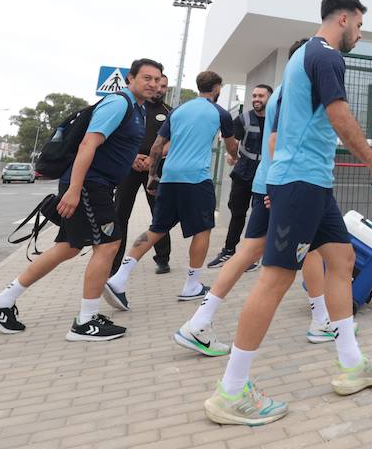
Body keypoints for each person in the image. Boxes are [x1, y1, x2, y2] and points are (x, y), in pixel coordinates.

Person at [204, 0, 372, 426]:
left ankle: (351, 362)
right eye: (360, 25)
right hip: (301, 182)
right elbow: (341, 118)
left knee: (342, 258)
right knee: (275, 279)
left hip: (312, 182)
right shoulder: (326, 56)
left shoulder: (300, 59)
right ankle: (231, 392)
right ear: (343, 18)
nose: (360, 34)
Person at [0, 59, 163, 341]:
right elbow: (88, 144)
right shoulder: (119, 103)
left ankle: (0, 303)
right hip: (90, 184)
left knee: (67, 247)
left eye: (157, 79)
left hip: (95, 184)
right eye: (146, 78)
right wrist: (75, 189)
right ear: (130, 79)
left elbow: (112, 145)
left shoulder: (137, 109)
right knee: (109, 244)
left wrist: (131, 159)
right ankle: (85, 322)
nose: (152, 84)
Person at [176, 40, 340, 356]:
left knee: (304, 251)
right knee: (267, 262)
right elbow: (281, 142)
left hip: (273, 183)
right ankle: (204, 325)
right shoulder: (292, 93)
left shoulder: (283, 93)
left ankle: (320, 319)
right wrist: (281, 191)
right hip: (280, 185)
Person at [102, 71, 239, 310]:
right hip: (196, 179)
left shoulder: (177, 111)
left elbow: (156, 146)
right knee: (203, 229)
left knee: (157, 228)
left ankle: (118, 279)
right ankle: (192, 286)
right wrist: (235, 156)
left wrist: (153, 176)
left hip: (170, 177)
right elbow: (231, 145)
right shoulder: (220, 113)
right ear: (217, 88)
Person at [110, 74, 173, 277]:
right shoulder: (132, 109)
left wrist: (152, 160)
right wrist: (132, 157)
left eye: (164, 86)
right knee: (120, 214)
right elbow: (117, 135)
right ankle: (114, 261)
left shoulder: (170, 112)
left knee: (159, 214)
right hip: (128, 168)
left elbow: (174, 140)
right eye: (157, 85)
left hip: (154, 171)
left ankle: (162, 259)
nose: (159, 89)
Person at [207, 84, 272, 269]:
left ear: (270, 98)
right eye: (254, 95)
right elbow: (232, 144)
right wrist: (232, 155)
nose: (256, 99)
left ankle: (253, 256)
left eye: (261, 96)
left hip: (267, 175)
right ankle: (229, 252)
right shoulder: (242, 119)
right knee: (237, 213)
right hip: (243, 173)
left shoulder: (277, 120)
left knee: (262, 216)